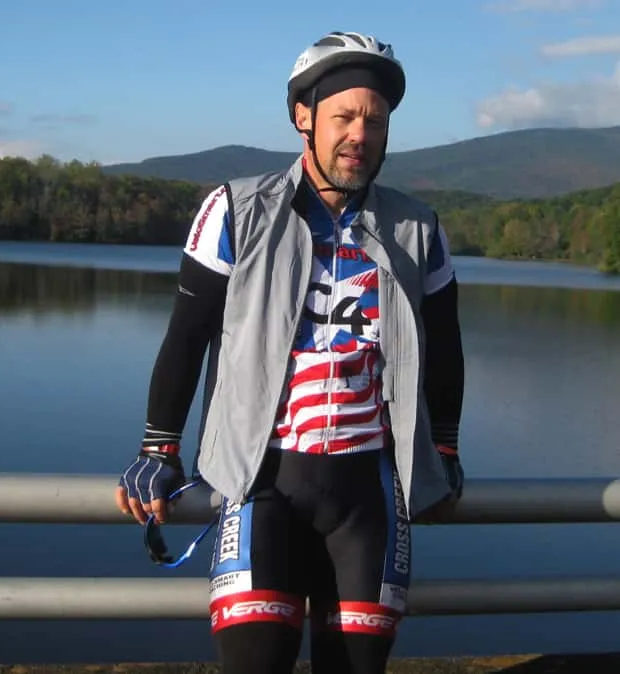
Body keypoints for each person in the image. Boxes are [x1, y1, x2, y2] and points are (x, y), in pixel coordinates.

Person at [115, 30, 465, 674]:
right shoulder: (235, 210)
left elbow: (445, 346)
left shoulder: (418, 228)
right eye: (344, 116)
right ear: (304, 117)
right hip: (261, 483)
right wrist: (157, 446)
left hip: (369, 492)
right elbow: (186, 335)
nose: (360, 134)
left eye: (375, 120)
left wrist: (443, 449)